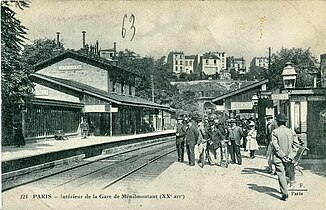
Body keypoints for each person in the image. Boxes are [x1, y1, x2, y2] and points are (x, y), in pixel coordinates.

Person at [271, 113, 299, 201]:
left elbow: (275, 146)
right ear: (285, 122)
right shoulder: (291, 131)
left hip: (279, 157)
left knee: (280, 174)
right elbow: (296, 145)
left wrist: (282, 156)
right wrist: (290, 156)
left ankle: (285, 192)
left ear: (277, 122)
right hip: (289, 156)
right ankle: (284, 189)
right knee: (286, 173)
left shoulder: (275, 132)